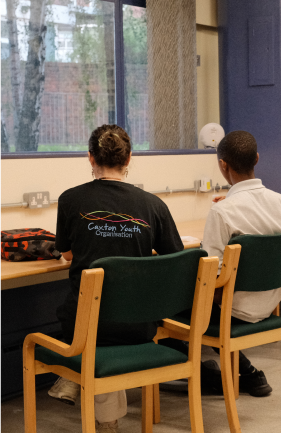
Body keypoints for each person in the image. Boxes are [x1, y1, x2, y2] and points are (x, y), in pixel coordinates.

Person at [50, 125, 184, 433]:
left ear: (90, 158)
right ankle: (90, 393)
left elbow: (67, 255)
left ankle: (78, 376)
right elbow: (174, 261)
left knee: (90, 315)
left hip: (84, 326)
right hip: (139, 325)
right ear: (129, 159)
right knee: (114, 308)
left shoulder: (70, 200)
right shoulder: (153, 205)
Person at [202, 130, 281, 397]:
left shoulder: (222, 211)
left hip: (234, 310)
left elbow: (212, 276)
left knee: (171, 305)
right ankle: (248, 373)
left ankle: (202, 375)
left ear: (223, 165)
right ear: (256, 158)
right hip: (271, 302)